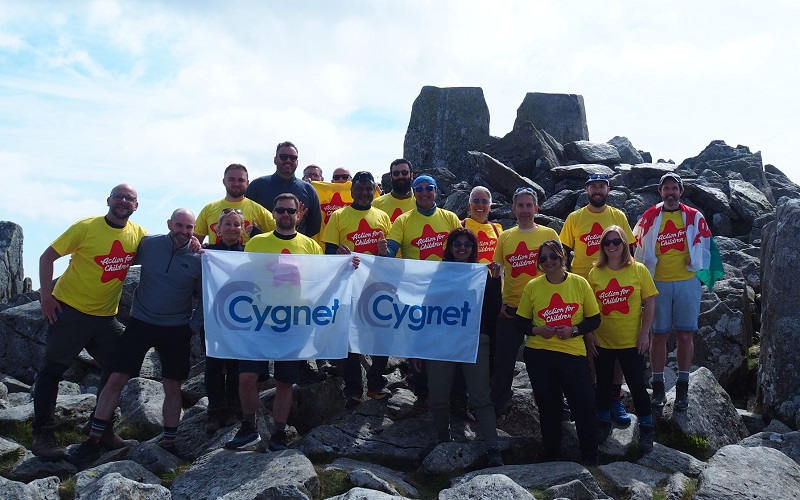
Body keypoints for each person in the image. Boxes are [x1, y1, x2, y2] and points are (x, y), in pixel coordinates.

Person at [68, 209, 203, 465]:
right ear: (169, 224)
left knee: (173, 387)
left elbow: (205, 297)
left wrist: (192, 327)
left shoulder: (198, 258)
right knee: (117, 377)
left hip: (176, 329)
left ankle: (169, 443)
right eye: (179, 225)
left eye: (189, 228)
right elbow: (116, 255)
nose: (183, 232)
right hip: (141, 323)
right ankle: (93, 440)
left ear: (194, 229)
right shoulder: (149, 245)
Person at [226, 193, 359, 451]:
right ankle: (249, 427)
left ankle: (278, 433)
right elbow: (243, 275)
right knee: (246, 377)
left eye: (290, 211)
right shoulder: (256, 243)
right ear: (273, 213)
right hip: (259, 321)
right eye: (280, 210)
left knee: (285, 382)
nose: (285, 215)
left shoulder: (310, 245)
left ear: (299, 214)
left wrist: (346, 266)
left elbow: (321, 279)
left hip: (294, 322)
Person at [33, 184, 146, 461]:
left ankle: (101, 426)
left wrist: (193, 243)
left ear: (136, 205)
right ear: (108, 200)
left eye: (129, 198)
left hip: (105, 317)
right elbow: (47, 256)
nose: (122, 201)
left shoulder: (138, 234)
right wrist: (45, 296)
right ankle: (42, 434)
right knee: (52, 371)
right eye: (118, 196)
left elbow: (165, 247)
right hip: (71, 311)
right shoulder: (86, 227)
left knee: (120, 365)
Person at [515, 239, 601, 465]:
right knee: (549, 408)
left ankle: (590, 458)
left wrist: (573, 330)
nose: (548, 261)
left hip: (572, 355)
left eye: (552, 256)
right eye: (543, 258)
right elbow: (520, 321)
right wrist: (537, 330)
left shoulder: (580, 283)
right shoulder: (533, 286)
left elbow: (594, 319)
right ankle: (553, 457)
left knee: (583, 405)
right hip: (539, 355)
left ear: (562, 257)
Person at [560, 173, 635, 425]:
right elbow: (563, 253)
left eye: (601, 186)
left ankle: (613, 396)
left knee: (615, 341)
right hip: (582, 288)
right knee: (587, 344)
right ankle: (592, 393)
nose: (597, 190)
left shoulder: (618, 216)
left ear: (608, 189)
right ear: (587, 190)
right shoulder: (575, 218)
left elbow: (630, 253)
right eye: (593, 186)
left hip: (614, 286)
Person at [633, 172, 712, 411]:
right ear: (660, 192)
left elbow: (706, 244)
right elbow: (636, 245)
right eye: (666, 188)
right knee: (658, 335)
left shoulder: (694, 216)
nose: (670, 192)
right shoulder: (649, 216)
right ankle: (658, 387)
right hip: (658, 284)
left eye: (674, 188)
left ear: (681, 192)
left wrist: (696, 260)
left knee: (685, 335)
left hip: (687, 282)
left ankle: (682, 387)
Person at [428, 227, 504, 468]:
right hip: (440, 342)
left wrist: (496, 282)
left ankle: (493, 448)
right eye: (457, 243)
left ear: (474, 249)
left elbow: (491, 312)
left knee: (481, 396)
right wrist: (419, 348)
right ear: (450, 247)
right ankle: (443, 441)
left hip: (474, 341)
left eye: (467, 244)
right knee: (438, 396)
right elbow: (425, 311)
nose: (462, 247)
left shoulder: (483, 275)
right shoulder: (436, 274)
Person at [386, 175, 460, 410]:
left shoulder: (450, 218)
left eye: (429, 188)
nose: (424, 192)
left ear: (436, 191)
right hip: (414, 294)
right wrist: (383, 252)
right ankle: (422, 394)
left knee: (447, 341)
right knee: (418, 344)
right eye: (419, 189)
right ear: (414, 192)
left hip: (445, 292)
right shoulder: (404, 220)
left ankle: (453, 397)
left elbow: (463, 250)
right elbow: (391, 250)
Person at [322, 171, 392, 407]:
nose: (363, 193)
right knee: (350, 339)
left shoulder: (383, 216)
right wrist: (338, 255)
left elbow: (390, 257)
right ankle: (353, 390)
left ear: (374, 190)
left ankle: (376, 383)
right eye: (359, 189)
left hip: (376, 286)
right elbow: (328, 254)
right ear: (351, 191)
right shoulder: (339, 216)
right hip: (348, 287)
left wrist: (384, 252)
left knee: (381, 335)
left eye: (368, 189)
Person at [588, 226, 657, 452]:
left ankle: (647, 427)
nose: (611, 246)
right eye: (606, 242)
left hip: (632, 341)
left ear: (625, 244)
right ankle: (603, 421)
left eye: (616, 241)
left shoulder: (638, 270)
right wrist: (590, 335)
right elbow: (587, 309)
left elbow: (650, 303)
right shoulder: (595, 273)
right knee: (603, 385)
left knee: (637, 386)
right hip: (604, 341)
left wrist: (644, 333)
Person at [491, 187, 559, 416]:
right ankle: (497, 402)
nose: (525, 210)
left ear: (536, 208)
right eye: (520, 205)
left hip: (542, 308)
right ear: (513, 208)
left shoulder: (549, 233)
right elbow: (497, 272)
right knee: (503, 359)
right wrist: (497, 303)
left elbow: (559, 269)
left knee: (550, 358)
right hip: (511, 308)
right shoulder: (505, 236)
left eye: (529, 205)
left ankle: (556, 402)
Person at [203, 208, 246, 434]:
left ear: (243, 228)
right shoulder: (207, 253)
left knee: (235, 365)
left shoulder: (250, 252)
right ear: (217, 229)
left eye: (236, 224)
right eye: (227, 224)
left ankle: (231, 409)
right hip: (213, 316)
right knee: (213, 365)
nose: (232, 228)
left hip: (240, 317)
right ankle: (213, 411)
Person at [246, 141, 322, 238]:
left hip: (296, 249)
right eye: (283, 157)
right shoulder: (257, 186)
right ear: (275, 160)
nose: (288, 160)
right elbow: (245, 217)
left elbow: (314, 227)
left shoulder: (308, 190)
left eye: (293, 158)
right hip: (262, 249)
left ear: (297, 162)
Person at [194, 164, 276, 245]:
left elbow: (283, 236)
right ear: (224, 181)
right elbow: (194, 242)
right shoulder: (209, 209)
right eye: (231, 180)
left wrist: (260, 235)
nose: (236, 184)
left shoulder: (259, 211)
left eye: (240, 180)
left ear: (247, 183)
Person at [373, 159, 416, 223]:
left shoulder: (420, 203)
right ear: (391, 176)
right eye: (396, 173)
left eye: (404, 173)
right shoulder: (377, 204)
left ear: (411, 175)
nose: (400, 176)